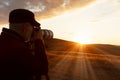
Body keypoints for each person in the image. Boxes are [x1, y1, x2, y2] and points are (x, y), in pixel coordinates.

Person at [0, 9, 49, 80]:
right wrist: (39, 40)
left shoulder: (5, 41)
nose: (33, 30)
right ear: (25, 27)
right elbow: (42, 69)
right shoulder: (19, 50)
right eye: (32, 27)